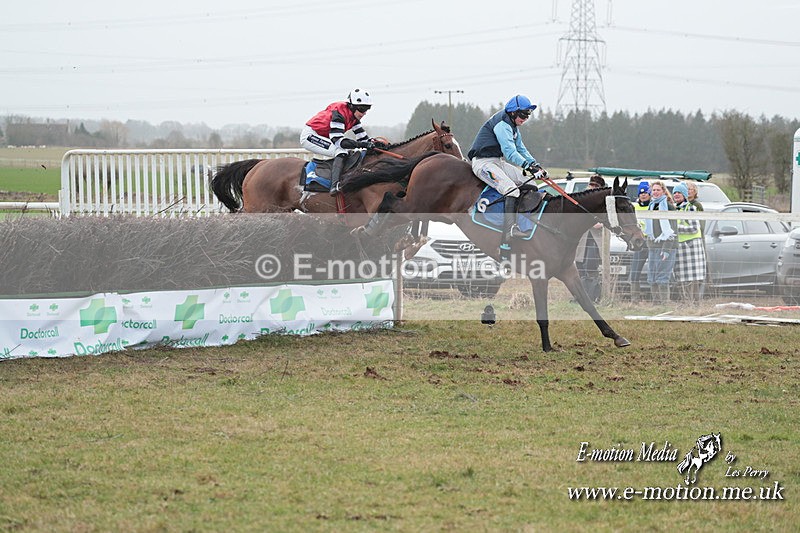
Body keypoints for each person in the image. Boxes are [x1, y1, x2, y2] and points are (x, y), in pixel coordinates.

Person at [467, 94, 545, 250]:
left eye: (528, 115)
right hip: (483, 163)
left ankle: (525, 223)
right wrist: (528, 167)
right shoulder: (502, 124)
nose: (525, 118)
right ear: (513, 112)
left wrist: (535, 165)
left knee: (531, 184)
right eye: (523, 115)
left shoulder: (513, 125)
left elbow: (521, 149)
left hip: (497, 162)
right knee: (511, 190)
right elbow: (510, 152)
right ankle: (509, 231)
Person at [299, 88, 382, 195]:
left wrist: (375, 144)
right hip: (310, 136)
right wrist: (363, 144)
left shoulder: (353, 117)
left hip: (322, 135)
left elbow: (363, 139)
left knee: (347, 152)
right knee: (341, 151)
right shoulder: (339, 114)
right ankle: (335, 185)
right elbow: (339, 141)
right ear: (352, 106)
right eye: (362, 109)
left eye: (367, 109)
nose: (364, 113)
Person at [672, 182, 706, 304]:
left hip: (691, 247)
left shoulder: (691, 208)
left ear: (684, 195)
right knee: (681, 277)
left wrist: (675, 228)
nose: (676, 195)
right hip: (680, 247)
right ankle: (685, 302)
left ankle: (694, 303)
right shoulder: (674, 209)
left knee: (692, 278)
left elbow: (694, 228)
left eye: (679, 192)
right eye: (675, 192)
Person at [645, 180, 678, 304]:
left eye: (658, 190)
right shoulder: (651, 205)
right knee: (652, 277)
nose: (655, 192)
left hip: (666, 246)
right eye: (654, 190)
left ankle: (665, 303)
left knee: (662, 277)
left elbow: (672, 230)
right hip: (653, 246)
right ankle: (656, 304)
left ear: (663, 191)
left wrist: (666, 249)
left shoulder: (668, 207)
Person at [575, 175, 605, 302]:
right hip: (582, 237)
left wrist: (599, 223)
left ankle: (593, 296)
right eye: (591, 185)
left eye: (595, 186)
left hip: (595, 238)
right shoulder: (583, 199)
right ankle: (580, 296)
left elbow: (606, 219)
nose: (592, 187)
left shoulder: (604, 201)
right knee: (580, 266)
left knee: (591, 266)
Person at [629, 181, 651, 302]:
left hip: (651, 241)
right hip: (639, 241)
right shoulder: (634, 207)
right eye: (641, 193)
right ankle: (635, 299)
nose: (643, 195)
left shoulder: (653, 206)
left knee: (654, 271)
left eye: (645, 193)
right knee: (635, 271)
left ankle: (656, 299)